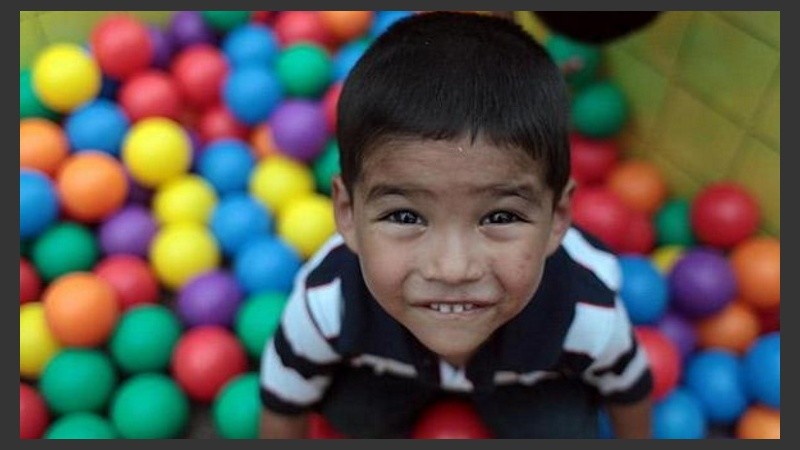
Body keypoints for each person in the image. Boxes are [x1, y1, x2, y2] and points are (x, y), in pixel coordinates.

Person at [259, 11, 653, 439]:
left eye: (500, 217)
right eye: (405, 216)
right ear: (347, 214)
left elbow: (628, 393)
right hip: (391, 376)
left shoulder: (586, 311)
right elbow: (284, 400)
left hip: (529, 383)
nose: (452, 269)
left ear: (558, 218)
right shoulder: (325, 301)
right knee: (352, 413)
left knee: (563, 429)